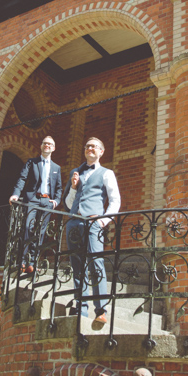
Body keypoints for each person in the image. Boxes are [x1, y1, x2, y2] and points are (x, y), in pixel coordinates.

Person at [64, 137, 121, 326]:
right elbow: (68, 204)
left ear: (101, 151)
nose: (90, 148)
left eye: (94, 146)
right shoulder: (75, 173)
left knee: (96, 264)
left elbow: (115, 200)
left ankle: (101, 310)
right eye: (87, 146)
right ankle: (80, 307)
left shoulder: (106, 173)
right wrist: (73, 187)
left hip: (93, 223)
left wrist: (104, 220)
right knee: (77, 266)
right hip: (74, 223)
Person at [9, 136, 62, 274]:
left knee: (41, 232)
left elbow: (59, 188)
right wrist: (15, 194)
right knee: (27, 227)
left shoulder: (56, 168)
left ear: (54, 148)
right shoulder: (32, 162)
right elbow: (22, 179)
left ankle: (33, 262)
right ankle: (22, 261)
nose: (47, 146)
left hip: (47, 202)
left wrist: (56, 200)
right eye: (45, 143)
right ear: (41, 146)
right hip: (32, 199)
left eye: (50, 144)